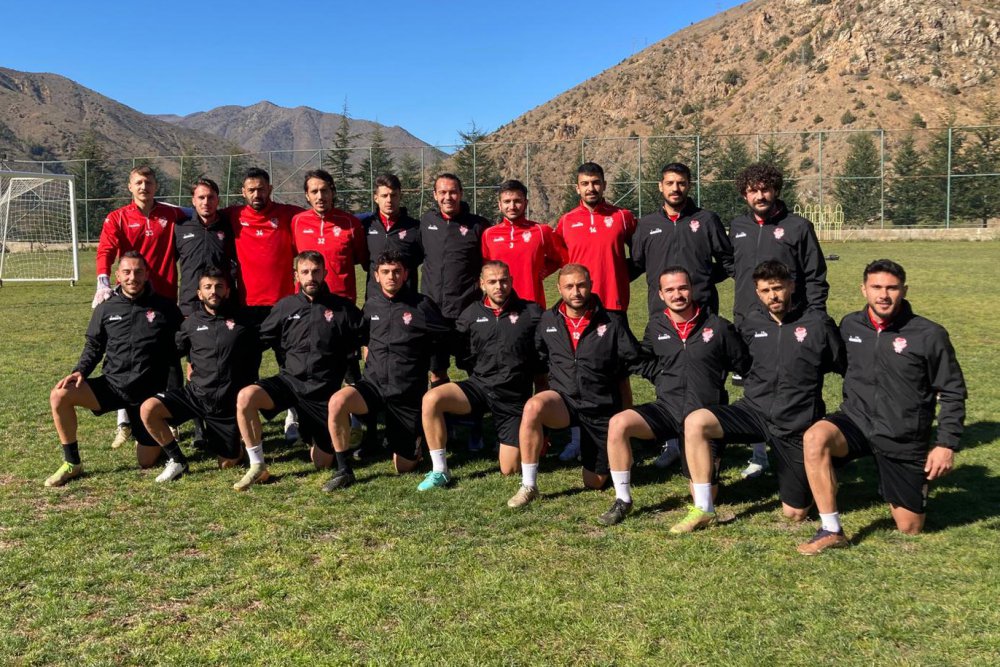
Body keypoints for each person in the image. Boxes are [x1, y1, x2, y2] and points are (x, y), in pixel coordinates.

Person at [797, 259, 967, 554]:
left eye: (892, 288)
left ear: (904, 290)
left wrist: (945, 445)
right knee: (815, 438)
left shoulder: (929, 334)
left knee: (909, 527)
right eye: (876, 287)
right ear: (863, 289)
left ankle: (902, 481)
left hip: (902, 433)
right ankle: (831, 529)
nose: (883, 295)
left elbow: (952, 391)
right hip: (857, 420)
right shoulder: (850, 325)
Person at [674, 260, 844, 533]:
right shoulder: (750, 323)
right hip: (754, 411)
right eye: (765, 290)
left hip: (795, 422)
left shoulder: (818, 323)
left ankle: (820, 467)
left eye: (778, 288)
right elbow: (736, 360)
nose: (772, 296)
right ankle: (703, 508)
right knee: (696, 421)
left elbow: (842, 365)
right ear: (757, 292)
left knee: (795, 513)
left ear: (791, 286)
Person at [599, 267, 748, 525]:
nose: (677, 294)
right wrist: (659, 376)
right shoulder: (656, 325)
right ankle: (623, 499)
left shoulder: (718, 326)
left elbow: (745, 365)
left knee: (706, 496)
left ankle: (710, 463)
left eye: (682, 288)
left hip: (704, 417)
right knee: (618, 423)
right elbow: (644, 358)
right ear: (660, 294)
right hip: (667, 408)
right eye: (669, 290)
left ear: (692, 289)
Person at [508, 264, 641, 508]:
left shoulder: (612, 321)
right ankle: (528, 485)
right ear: (559, 288)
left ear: (591, 285)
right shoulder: (548, 319)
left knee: (595, 482)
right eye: (569, 286)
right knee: (533, 406)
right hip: (565, 401)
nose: (576, 292)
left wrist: (627, 421)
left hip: (600, 407)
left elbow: (625, 374)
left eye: (581, 285)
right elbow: (540, 358)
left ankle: (605, 457)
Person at [46, 252, 183, 486]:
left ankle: (151, 430)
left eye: (138, 272)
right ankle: (72, 462)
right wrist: (80, 371)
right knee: (60, 395)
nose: (132, 278)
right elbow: (94, 345)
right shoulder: (106, 308)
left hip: (146, 395)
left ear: (147, 275)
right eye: (127, 272)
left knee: (146, 461)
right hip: (113, 386)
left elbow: (182, 345)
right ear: (117, 276)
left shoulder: (165, 308)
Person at [729, 163, 830, 480]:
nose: (760, 195)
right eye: (753, 190)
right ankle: (760, 455)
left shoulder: (798, 227)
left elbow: (815, 275)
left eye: (765, 189)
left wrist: (814, 316)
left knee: (798, 385)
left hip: (792, 324)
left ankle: (807, 448)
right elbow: (732, 266)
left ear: (775, 190)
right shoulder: (737, 227)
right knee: (755, 387)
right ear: (744, 194)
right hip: (749, 324)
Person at [631, 162, 733, 470]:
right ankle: (672, 443)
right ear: (660, 186)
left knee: (709, 378)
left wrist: (702, 280)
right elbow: (636, 264)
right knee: (667, 378)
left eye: (682, 183)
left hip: (702, 317)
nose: (676, 188)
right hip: (663, 319)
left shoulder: (706, 220)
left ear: (689, 185)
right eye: (670, 183)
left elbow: (727, 261)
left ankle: (711, 442)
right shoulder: (647, 224)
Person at [232, 251, 362, 491]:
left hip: (323, 392)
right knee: (246, 397)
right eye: (305, 272)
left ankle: (311, 435)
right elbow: (260, 338)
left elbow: (362, 343)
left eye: (316, 271)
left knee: (322, 463)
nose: (311, 277)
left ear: (324, 273)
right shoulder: (285, 306)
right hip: (290, 383)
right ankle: (257, 465)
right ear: (296, 275)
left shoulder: (343, 309)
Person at [325, 251, 449, 490]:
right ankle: (344, 470)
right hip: (373, 386)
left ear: (405, 274)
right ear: (377, 276)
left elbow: (442, 339)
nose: (391, 276)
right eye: (385, 272)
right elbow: (363, 337)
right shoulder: (372, 304)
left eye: (396, 271)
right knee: (337, 402)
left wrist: (437, 370)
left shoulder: (422, 305)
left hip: (406, 391)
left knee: (403, 466)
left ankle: (416, 440)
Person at [417, 260, 544, 490]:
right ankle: (440, 470)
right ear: (482, 284)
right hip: (480, 387)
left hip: (513, 398)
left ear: (511, 281)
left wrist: (543, 425)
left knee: (510, 469)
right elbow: (458, 348)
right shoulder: (471, 313)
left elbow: (542, 367)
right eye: (492, 282)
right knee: (432, 399)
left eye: (503, 281)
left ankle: (508, 438)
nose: (499, 286)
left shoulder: (531, 313)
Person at [93, 166, 189, 450]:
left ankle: (170, 419)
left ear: (156, 186)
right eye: (138, 182)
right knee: (126, 359)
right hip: (131, 300)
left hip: (164, 301)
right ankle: (124, 423)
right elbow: (105, 249)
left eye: (148, 182)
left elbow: (197, 210)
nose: (143, 186)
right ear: (130, 186)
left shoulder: (171, 214)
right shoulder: (118, 217)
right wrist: (102, 280)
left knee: (169, 359)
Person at [139, 267, 261, 481]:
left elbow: (258, 351)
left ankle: (236, 442)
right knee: (149, 408)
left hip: (226, 405)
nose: (213, 291)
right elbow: (173, 351)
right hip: (196, 395)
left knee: (227, 464)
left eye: (219, 287)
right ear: (199, 293)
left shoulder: (244, 320)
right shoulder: (190, 323)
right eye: (208, 287)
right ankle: (177, 460)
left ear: (227, 291)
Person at [554, 162, 638, 463]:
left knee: (620, 374)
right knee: (578, 376)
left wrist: (620, 278)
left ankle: (627, 434)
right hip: (578, 309)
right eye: (585, 183)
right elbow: (560, 261)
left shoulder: (622, 217)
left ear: (604, 184)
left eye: (596, 182)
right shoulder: (566, 221)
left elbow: (640, 253)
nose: (591, 188)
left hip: (613, 307)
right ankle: (579, 438)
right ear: (577, 187)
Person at [227, 167, 305, 442]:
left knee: (290, 364)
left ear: (270, 189)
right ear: (243, 192)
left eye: (261, 188)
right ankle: (249, 419)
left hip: (284, 307)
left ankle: (294, 416)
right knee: (247, 368)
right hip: (248, 308)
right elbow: (196, 212)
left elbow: (317, 217)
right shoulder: (233, 215)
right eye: (251, 189)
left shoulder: (289, 214)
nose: (257, 194)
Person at [420, 172, 490, 387]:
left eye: (452, 192)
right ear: (434, 195)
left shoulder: (478, 226)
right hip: (433, 312)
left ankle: (475, 404)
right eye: (442, 192)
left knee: (475, 367)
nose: (447, 197)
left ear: (461, 193)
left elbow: (490, 265)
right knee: (436, 371)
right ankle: (442, 405)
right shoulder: (426, 222)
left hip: (466, 311)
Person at [481, 179, 567, 308]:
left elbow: (563, 258)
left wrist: (545, 270)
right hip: (499, 307)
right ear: (499, 205)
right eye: (507, 202)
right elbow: (485, 268)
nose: (512, 206)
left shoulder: (542, 231)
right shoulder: (488, 234)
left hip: (532, 306)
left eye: (517, 201)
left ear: (525, 203)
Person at [291, 169, 368, 303]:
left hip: (342, 300)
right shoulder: (297, 222)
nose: (320, 196)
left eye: (324, 190)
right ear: (307, 196)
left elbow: (363, 260)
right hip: (307, 299)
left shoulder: (350, 223)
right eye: (314, 192)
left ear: (333, 193)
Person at [174, 177, 237, 317]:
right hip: (190, 306)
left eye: (211, 197)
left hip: (223, 304)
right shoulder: (180, 227)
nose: (206, 202)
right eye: (201, 197)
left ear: (218, 200)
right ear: (193, 200)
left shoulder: (230, 227)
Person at [362, 173, 423, 300]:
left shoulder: (415, 228)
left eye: (393, 195)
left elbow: (419, 259)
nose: (389, 200)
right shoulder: (366, 226)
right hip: (375, 300)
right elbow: (364, 261)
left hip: (407, 301)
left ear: (400, 196)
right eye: (384, 196)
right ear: (376, 198)